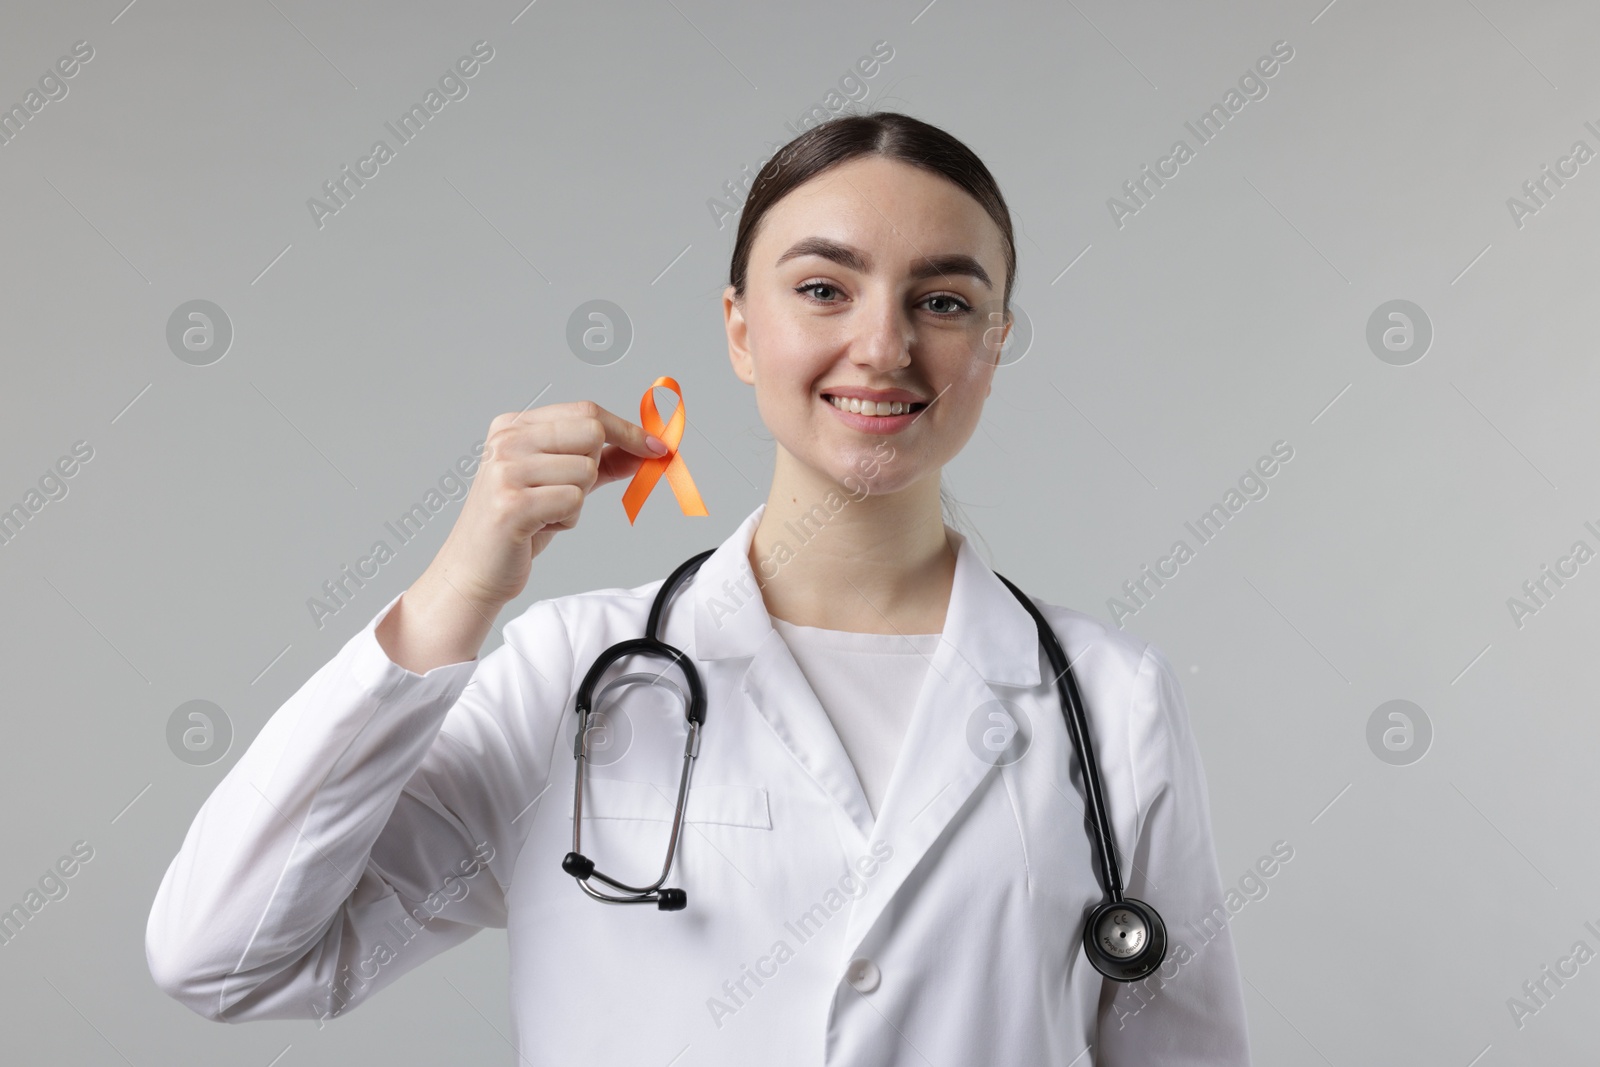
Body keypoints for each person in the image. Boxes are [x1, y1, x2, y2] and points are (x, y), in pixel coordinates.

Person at [145, 111, 1252, 1064]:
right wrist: (455, 593)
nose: (882, 345)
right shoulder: (572, 675)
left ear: (995, 342)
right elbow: (224, 956)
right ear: (736, 328)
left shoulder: (1111, 699)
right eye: (823, 288)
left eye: (945, 303)